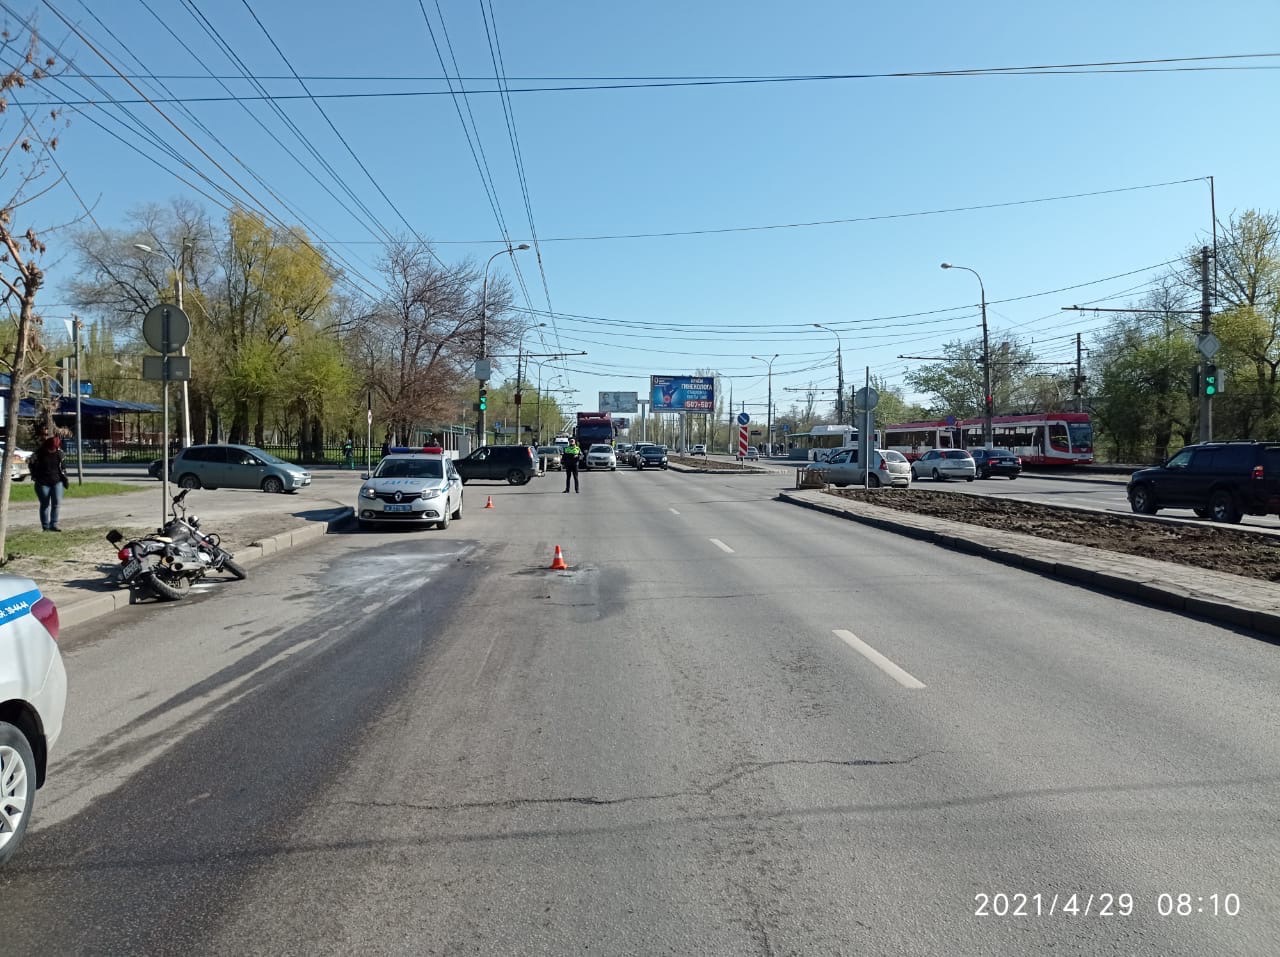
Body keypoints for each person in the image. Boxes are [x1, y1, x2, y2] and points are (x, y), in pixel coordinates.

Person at [29, 435, 69, 532]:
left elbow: (63, 467)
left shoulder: (60, 453)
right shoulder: (39, 454)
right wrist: (35, 476)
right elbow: (31, 464)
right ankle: (45, 526)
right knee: (45, 504)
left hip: (57, 482)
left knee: (56, 504)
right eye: (52, 448)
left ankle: (53, 525)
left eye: (55, 448)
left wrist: (65, 478)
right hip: (42, 483)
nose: (53, 450)